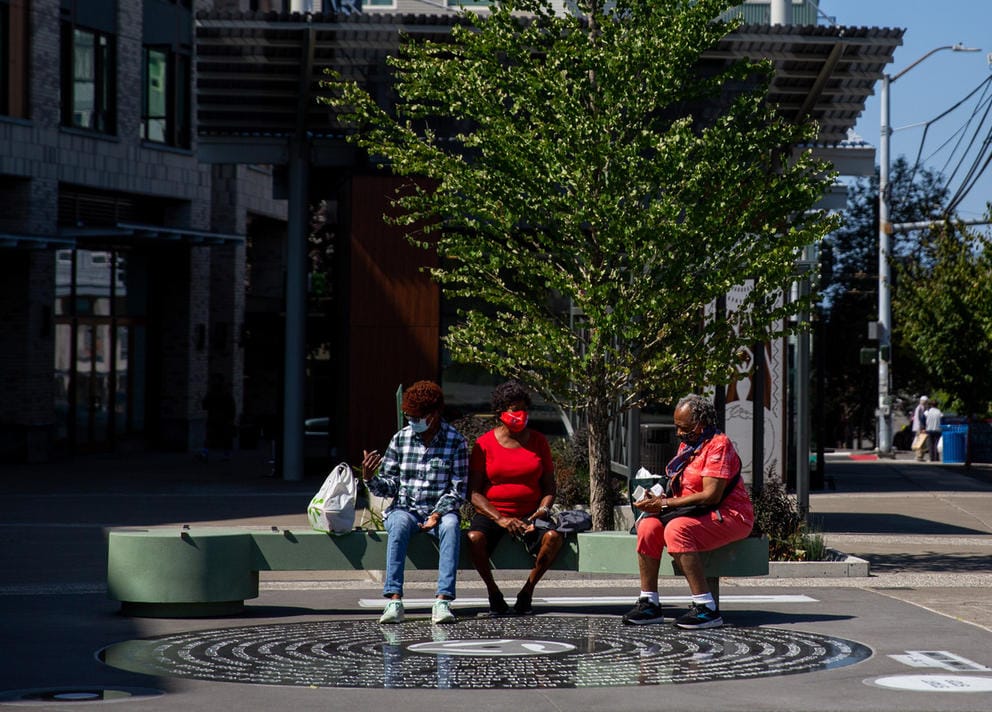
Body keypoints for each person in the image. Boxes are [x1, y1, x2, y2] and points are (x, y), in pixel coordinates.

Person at [624, 394, 754, 629]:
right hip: (696, 511)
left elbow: (711, 495)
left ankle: (706, 607)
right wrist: (658, 499)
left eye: (683, 427)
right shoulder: (690, 445)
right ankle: (649, 602)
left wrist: (665, 505)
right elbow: (683, 490)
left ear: (700, 424)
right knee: (647, 526)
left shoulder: (719, 445)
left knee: (676, 529)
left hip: (731, 515)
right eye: (676, 427)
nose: (678, 433)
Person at [361, 380, 468, 625]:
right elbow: (389, 486)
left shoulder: (456, 442)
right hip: (406, 508)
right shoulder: (401, 439)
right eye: (408, 416)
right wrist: (370, 479)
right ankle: (394, 600)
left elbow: (458, 489)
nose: (412, 421)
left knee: (451, 527)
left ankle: (442, 601)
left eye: (416, 417)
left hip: (440, 509)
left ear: (433, 415)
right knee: (397, 525)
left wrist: (437, 514)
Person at [466, 380, 563, 616]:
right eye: (513, 408)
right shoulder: (484, 444)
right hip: (493, 514)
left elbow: (549, 486)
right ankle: (494, 594)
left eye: (524, 408)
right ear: (500, 413)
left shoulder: (539, 441)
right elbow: (474, 492)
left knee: (553, 538)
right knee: (474, 538)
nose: (520, 414)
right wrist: (500, 518)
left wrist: (543, 509)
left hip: (531, 514)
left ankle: (527, 592)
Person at [199, 373, 236, 462]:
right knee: (214, 437)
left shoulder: (220, 392)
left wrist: (231, 418)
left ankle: (207, 454)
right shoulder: (219, 392)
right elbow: (205, 405)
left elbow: (231, 406)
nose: (214, 382)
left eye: (216, 380)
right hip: (217, 418)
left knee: (220, 437)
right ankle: (206, 454)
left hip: (221, 418)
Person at [911, 396, 929, 461]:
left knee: (920, 441)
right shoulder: (921, 408)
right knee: (920, 442)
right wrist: (922, 428)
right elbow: (920, 419)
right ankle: (919, 456)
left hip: (918, 427)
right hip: (919, 428)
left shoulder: (919, 408)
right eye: (926, 402)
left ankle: (920, 456)